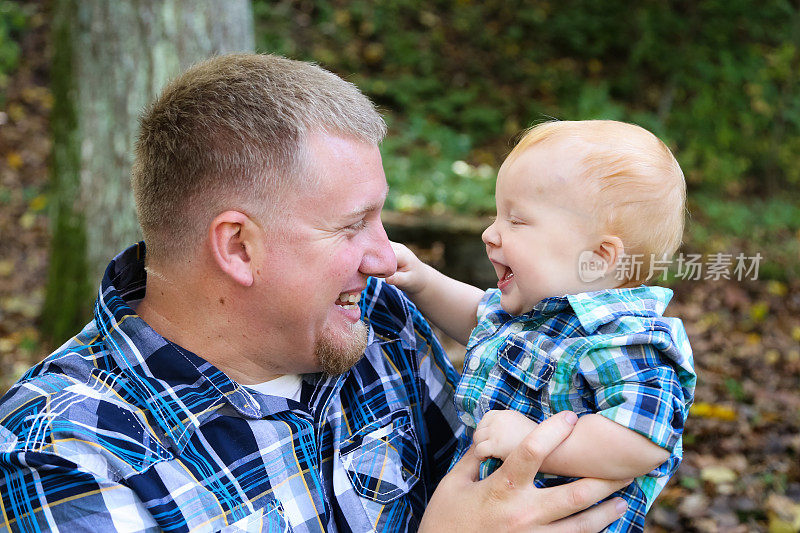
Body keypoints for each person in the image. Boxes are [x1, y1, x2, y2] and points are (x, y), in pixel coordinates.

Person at [0, 55, 628, 532]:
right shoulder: (68, 450)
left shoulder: (376, 320)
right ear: (239, 247)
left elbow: (503, 493)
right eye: (353, 225)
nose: (386, 258)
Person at [388, 120, 697, 532]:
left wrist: (532, 442)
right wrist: (423, 281)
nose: (489, 233)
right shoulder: (537, 315)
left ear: (600, 257)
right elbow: (478, 320)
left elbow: (642, 440)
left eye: (515, 220)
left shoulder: (626, 341)